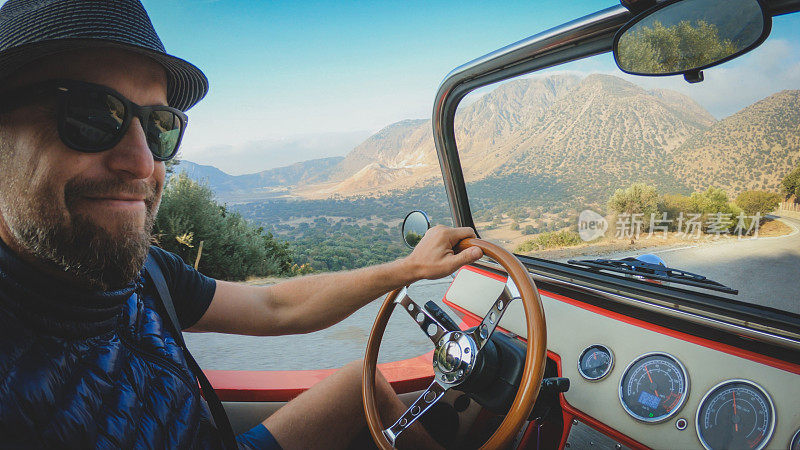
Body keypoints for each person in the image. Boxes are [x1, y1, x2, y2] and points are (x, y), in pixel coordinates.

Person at [0, 0, 483, 448]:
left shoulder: (148, 275)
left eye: (159, 126)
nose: (143, 163)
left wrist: (409, 268)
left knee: (365, 383)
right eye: (90, 116)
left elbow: (273, 305)